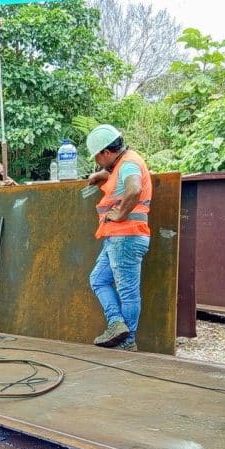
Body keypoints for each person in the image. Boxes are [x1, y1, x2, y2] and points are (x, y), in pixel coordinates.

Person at [84, 124, 153, 351]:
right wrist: (100, 175)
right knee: (98, 279)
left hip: (126, 236)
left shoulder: (129, 163)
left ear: (106, 152)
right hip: (118, 238)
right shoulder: (122, 163)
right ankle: (116, 323)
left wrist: (121, 213)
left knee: (128, 291)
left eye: (97, 157)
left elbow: (133, 188)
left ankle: (127, 339)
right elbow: (116, 174)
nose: (97, 161)